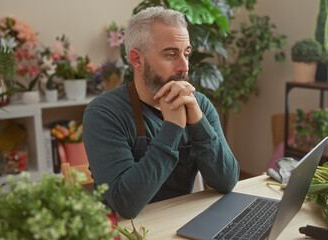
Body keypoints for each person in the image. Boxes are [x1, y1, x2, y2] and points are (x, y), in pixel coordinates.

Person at [83, 6, 239, 219]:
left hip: (175, 224)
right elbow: (125, 205)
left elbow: (227, 181)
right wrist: (173, 127)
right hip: (121, 231)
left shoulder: (199, 104)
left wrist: (198, 121)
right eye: (171, 55)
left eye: (187, 53)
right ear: (137, 60)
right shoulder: (104, 113)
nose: (184, 67)